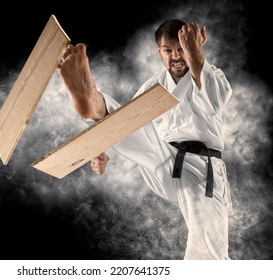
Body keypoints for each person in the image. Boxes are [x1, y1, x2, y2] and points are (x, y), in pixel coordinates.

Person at [57, 19, 234, 260]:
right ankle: (93, 104)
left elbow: (215, 100)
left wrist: (195, 53)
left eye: (181, 48)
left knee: (207, 247)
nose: (176, 56)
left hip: (202, 168)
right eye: (168, 50)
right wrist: (101, 149)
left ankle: (97, 106)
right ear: (158, 52)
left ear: (191, 46)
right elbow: (132, 125)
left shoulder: (210, 73)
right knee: (129, 122)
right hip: (162, 160)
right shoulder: (153, 86)